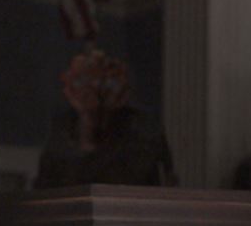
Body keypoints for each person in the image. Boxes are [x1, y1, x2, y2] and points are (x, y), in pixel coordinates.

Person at [34, 48, 177, 188]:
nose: (97, 89)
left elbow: (161, 184)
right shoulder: (62, 131)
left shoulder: (144, 131)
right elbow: (46, 188)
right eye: (84, 81)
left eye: (108, 82)